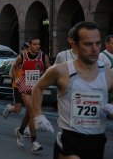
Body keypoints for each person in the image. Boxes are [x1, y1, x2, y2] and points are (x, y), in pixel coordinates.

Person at [32, 21, 113, 159]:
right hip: (70, 139)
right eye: (88, 44)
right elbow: (38, 88)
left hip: (97, 140)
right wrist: (38, 116)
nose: (94, 49)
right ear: (74, 45)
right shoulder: (61, 70)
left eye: (97, 43)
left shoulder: (107, 74)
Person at [10, 36, 51, 152]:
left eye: (39, 44)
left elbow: (50, 70)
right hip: (25, 88)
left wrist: (47, 77)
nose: (37, 46)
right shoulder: (22, 56)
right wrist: (16, 78)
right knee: (33, 113)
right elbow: (13, 68)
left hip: (37, 89)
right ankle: (34, 142)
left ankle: (20, 131)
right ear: (30, 46)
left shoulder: (43, 57)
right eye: (35, 44)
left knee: (28, 115)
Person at [2, 43, 31, 137]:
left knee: (30, 109)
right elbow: (10, 74)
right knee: (17, 109)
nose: (27, 51)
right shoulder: (19, 60)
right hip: (17, 87)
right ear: (22, 50)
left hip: (29, 87)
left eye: (28, 49)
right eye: (25, 50)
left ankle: (27, 129)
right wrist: (16, 79)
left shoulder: (32, 60)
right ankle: (9, 108)